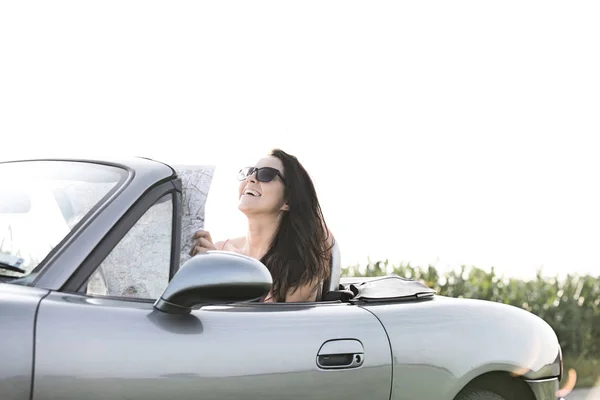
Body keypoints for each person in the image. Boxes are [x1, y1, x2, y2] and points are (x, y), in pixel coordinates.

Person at [190, 148, 334, 302]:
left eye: (266, 174)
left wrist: (220, 273)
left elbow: (272, 324)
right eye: (250, 172)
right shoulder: (218, 251)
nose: (251, 178)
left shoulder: (300, 266)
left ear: (288, 201)